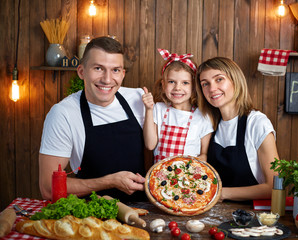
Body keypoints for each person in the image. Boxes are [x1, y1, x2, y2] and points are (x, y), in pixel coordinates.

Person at [39, 36, 147, 202]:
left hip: (144, 211)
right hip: (91, 218)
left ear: (123, 74)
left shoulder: (138, 98)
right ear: (81, 72)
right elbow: (48, 188)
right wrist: (110, 181)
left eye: (115, 70)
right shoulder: (63, 114)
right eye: (98, 68)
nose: (107, 79)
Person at [195, 57, 279, 201]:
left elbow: (275, 187)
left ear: (235, 80)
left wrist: (221, 193)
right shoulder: (209, 124)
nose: (212, 89)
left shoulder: (257, 123)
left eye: (219, 79)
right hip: (214, 213)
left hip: (252, 217)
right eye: (205, 84)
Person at [142, 49, 213, 163]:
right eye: (171, 82)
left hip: (187, 177)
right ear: (163, 84)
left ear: (194, 87)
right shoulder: (158, 109)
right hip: (160, 175)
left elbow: (203, 154)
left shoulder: (203, 116)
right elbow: (150, 145)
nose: (177, 88)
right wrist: (149, 109)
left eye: (185, 83)